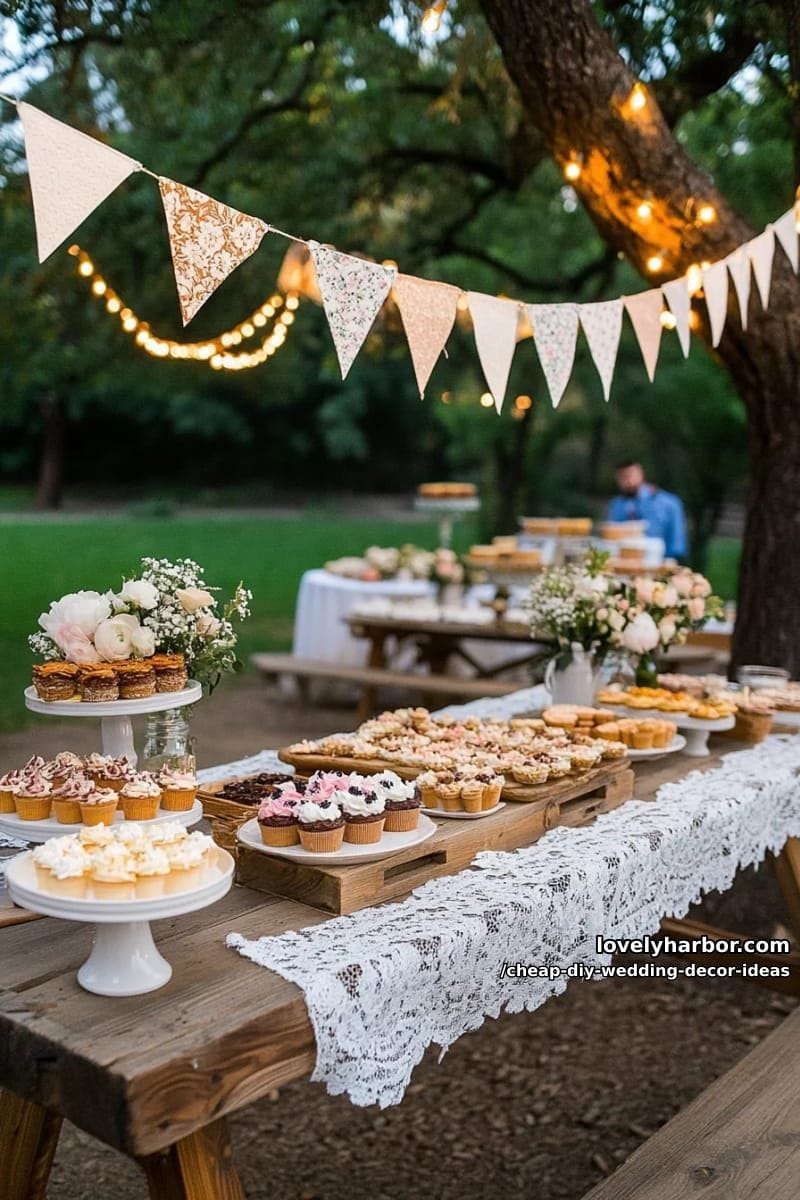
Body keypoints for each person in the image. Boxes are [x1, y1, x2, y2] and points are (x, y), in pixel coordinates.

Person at [607, 461, 688, 561]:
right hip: (625, 561)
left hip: (660, 561)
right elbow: (612, 536)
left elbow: (676, 541)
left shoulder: (668, 503)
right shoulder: (617, 504)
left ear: (640, 474)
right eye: (621, 477)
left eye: (629, 475)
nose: (627, 481)